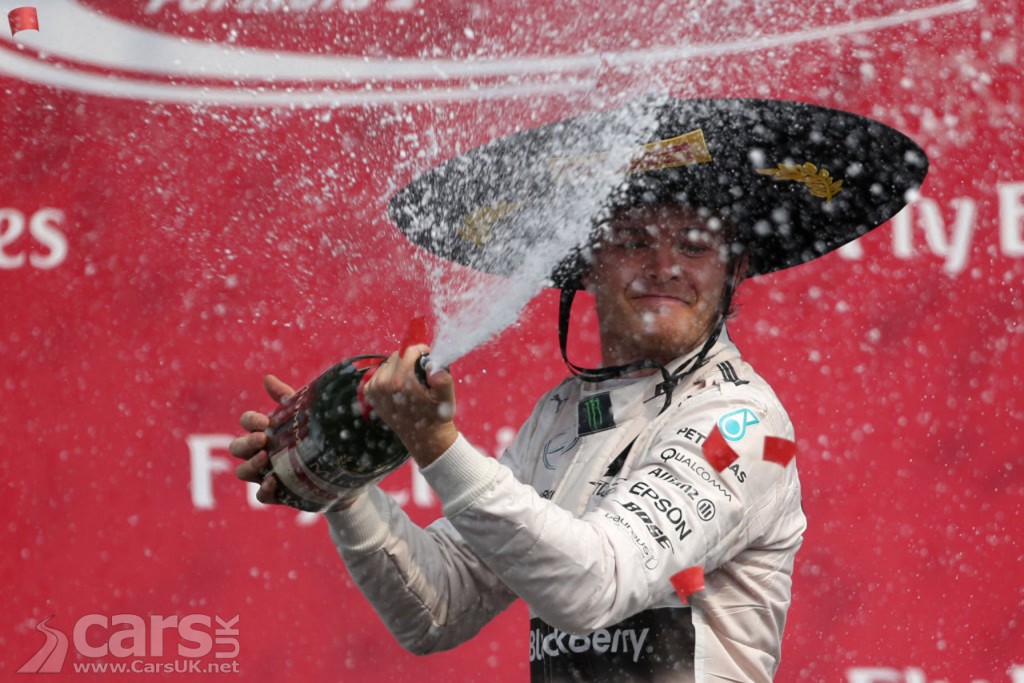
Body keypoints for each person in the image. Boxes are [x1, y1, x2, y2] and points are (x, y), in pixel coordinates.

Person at [231, 97, 928, 681]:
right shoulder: (562, 415)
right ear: (587, 264)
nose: (664, 267)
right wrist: (345, 486)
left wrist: (438, 444)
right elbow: (435, 611)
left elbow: (596, 586)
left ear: (733, 268)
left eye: (693, 244)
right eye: (633, 242)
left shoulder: (745, 424)